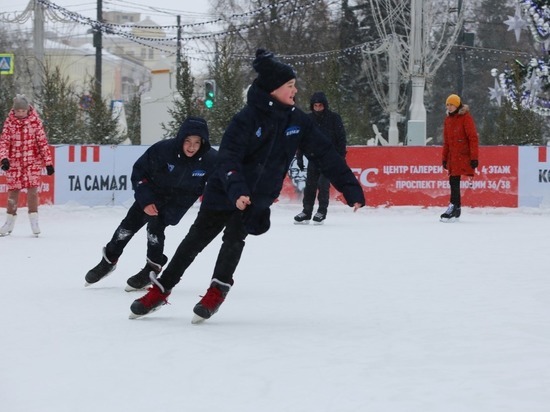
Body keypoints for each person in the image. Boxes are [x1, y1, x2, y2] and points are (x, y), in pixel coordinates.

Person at [129, 48, 365, 323]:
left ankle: (217, 291)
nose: (295, 90)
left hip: (257, 196)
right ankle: (160, 290)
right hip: (224, 190)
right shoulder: (246, 119)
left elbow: (326, 155)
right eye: (290, 86)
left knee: (234, 240)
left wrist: (350, 188)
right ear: (274, 89)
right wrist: (237, 190)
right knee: (193, 242)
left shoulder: (297, 121)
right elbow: (229, 158)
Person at [84, 116, 217, 291]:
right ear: (180, 139)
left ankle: (152, 268)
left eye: (197, 143)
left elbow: (222, 181)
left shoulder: (211, 159)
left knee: (155, 227)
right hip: (152, 194)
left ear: (203, 143)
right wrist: (146, 200)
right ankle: (109, 260)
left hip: (179, 201)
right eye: (187, 141)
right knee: (127, 227)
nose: (191, 147)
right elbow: (139, 173)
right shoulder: (163, 150)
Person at [0, 94, 54, 237]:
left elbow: (42, 143)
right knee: (13, 193)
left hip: (31, 162)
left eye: (23, 111)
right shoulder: (9, 123)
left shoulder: (35, 122)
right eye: (18, 111)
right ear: (14, 110)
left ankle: (34, 222)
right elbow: (4, 142)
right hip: (15, 163)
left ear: (27, 110)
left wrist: (48, 162)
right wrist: (4, 159)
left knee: (32, 192)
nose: (21, 114)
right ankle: (9, 223)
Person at [294, 91, 347, 225]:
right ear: (312, 106)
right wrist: (299, 157)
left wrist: (340, 157)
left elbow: (341, 138)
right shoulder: (308, 119)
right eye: (315, 106)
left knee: (323, 185)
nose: (318, 108)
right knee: (310, 186)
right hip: (314, 158)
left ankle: (321, 211)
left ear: (325, 105)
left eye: (320, 106)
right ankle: (306, 212)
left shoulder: (334, 118)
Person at [440, 94, 479, 222]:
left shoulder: (465, 118)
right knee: (453, 181)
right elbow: (446, 141)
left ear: (457, 105)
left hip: (462, 155)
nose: (449, 107)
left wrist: (474, 157)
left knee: (454, 181)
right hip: (453, 156)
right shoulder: (448, 120)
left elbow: (472, 138)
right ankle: (456, 208)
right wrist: (444, 158)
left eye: (451, 104)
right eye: (447, 105)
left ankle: (454, 206)